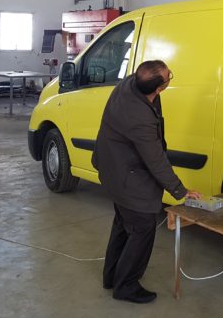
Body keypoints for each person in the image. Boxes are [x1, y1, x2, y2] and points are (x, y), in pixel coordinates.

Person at [91, 60, 201, 304]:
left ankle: (112, 276)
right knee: (142, 228)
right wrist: (181, 191)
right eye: (169, 75)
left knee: (123, 223)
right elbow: (156, 160)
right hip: (126, 176)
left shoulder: (130, 85)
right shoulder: (139, 117)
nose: (170, 75)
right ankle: (126, 285)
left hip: (112, 168)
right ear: (160, 88)